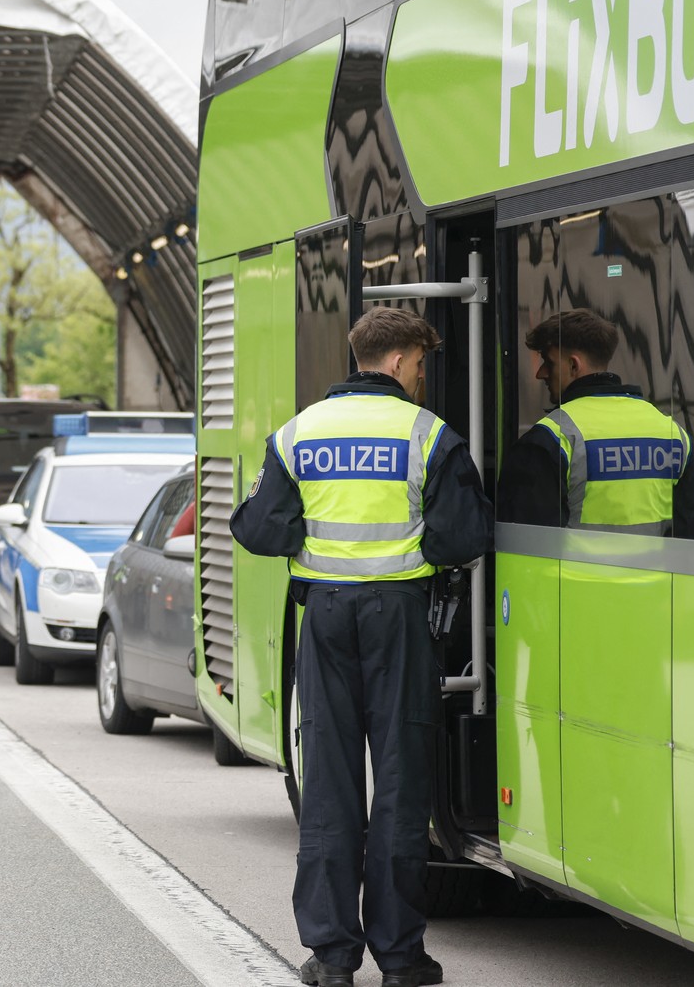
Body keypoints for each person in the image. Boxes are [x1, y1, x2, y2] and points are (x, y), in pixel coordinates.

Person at [231, 307, 491, 987]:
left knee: (329, 786)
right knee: (401, 785)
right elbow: (464, 538)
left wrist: (318, 540)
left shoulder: (298, 434)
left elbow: (259, 530)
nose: (422, 376)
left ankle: (333, 957)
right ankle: (401, 959)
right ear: (401, 360)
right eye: (422, 364)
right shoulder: (429, 435)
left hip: (323, 617)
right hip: (400, 619)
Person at [498, 308, 694, 538]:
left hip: (577, 575)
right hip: (654, 575)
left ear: (574, 365)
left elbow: (523, 542)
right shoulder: (670, 433)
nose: (540, 373)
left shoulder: (551, 437)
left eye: (548, 362)